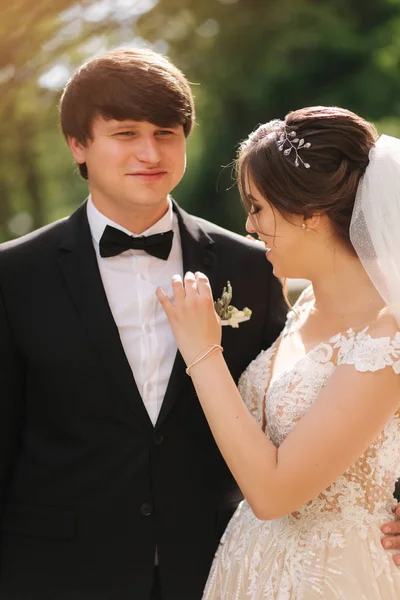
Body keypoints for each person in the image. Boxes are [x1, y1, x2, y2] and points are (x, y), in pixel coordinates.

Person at [0, 48, 287, 600]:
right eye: (125, 133)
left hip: (215, 566)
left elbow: (297, 410)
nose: (150, 152)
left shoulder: (252, 266)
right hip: (54, 573)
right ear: (78, 146)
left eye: (166, 132)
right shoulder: (13, 276)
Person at [157, 106, 400, 598]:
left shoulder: (389, 334)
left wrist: (203, 353)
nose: (249, 225)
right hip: (250, 562)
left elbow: (272, 493)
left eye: (258, 207)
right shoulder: (303, 303)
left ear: (308, 213)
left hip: (334, 574)